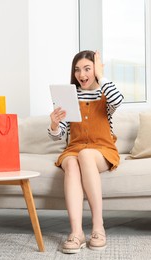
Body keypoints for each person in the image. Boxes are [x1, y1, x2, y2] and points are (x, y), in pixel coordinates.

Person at [48, 50, 123, 254]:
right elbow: (58, 134)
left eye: (87, 69)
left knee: (86, 154)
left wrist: (101, 74)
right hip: (75, 148)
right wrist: (54, 125)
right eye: (78, 70)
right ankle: (77, 232)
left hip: (102, 148)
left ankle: (98, 227)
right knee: (73, 161)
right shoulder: (68, 96)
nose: (82, 74)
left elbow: (119, 100)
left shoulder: (104, 94)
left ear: (96, 70)